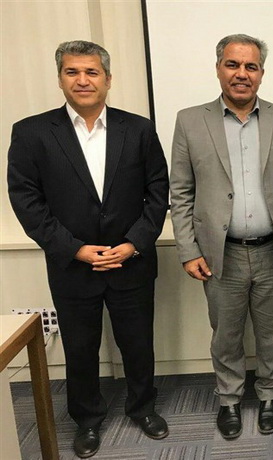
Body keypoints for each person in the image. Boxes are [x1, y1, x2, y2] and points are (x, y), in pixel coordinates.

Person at [7, 40, 170, 458]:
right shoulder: (31, 132)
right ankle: (88, 419)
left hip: (131, 261)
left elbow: (158, 192)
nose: (83, 80)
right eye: (72, 72)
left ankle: (143, 407)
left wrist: (133, 243)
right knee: (80, 348)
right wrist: (75, 249)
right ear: (60, 78)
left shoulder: (139, 129)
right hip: (72, 265)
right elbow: (26, 200)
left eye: (92, 72)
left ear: (108, 79)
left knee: (138, 343)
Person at [169, 34, 273, 440]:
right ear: (218, 68)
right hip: (221, 253)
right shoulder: (190, 120)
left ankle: (270, 395)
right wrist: (188, 250)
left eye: (251, 66)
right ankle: (229, 399)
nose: (241, 74)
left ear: (262, 73)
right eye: (233, 64)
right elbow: (181, 191)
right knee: (226, 334)